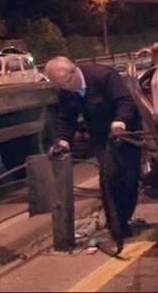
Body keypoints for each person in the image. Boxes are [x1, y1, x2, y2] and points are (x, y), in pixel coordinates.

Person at [45, 56, 141, 253]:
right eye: (60, 86)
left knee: (129, 177)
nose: (66, 88)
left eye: (67, 83)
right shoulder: (66, 91)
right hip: (100, 135)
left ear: (73, 73)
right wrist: (63, 140)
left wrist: (120, 120)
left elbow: (125, 100)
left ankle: (124, 216)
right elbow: (67, 117)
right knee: (108, 177)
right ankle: (118, 225)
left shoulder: (103, 75)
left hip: (125, 130)